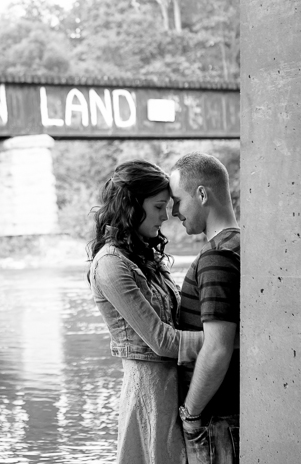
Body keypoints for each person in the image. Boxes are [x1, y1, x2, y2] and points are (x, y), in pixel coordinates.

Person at [88, 159, 203, 464]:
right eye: (158, 206)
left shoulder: (144, 255)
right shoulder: (111, 264)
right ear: (130, 205)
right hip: (150, 395)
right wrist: (226, 343)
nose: (167, 216)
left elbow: (178, 321)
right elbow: (162, 341)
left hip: (179, 388)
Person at [169, 153, 240, 464]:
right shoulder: (243, 245)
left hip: (215, 421)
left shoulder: (215, 258)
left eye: (177, 201)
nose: (173, 212)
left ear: (201, 194)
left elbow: (217, 348)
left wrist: (190, 413)